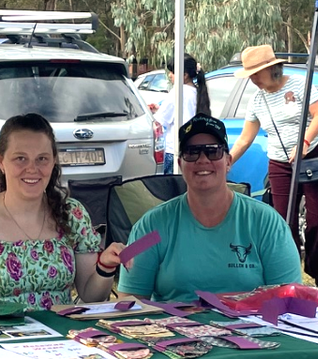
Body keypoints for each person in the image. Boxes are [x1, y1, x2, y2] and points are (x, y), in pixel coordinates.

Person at [0, 113, 125, 315]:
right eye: (20, 158)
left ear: (53, 162)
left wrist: (105, 266)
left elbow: (91, 296)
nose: (32, 169)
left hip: (61, 341)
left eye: (42, 159)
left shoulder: (72, 214)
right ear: (1, 161)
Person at [117, 114, 302, 303]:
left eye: (213, 151)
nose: (202, 159)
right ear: (180, 164)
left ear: (228, 161)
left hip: (253, 330)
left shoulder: (267, 223)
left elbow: (289, 298)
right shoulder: (150, 227)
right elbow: (129, 303)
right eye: (191, 152)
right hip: (172, 330)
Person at [228, 44, 318, 291]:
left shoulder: (299, 84)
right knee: (283, 222)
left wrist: (304, 142)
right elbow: (245, 137)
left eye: (256, 73)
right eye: (250, 75)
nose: (253, 79)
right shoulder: (257, 100)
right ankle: (288, 276)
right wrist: (227, 160)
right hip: (280, 163)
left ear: (272, 69)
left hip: (314, 156)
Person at [154, 55, 210, 175]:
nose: (170, 75)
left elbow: (160, 120)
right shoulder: (198, 93)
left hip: (173, 150)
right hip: (191, 150)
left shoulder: (177, 93)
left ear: (184, 75)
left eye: (172, 72)